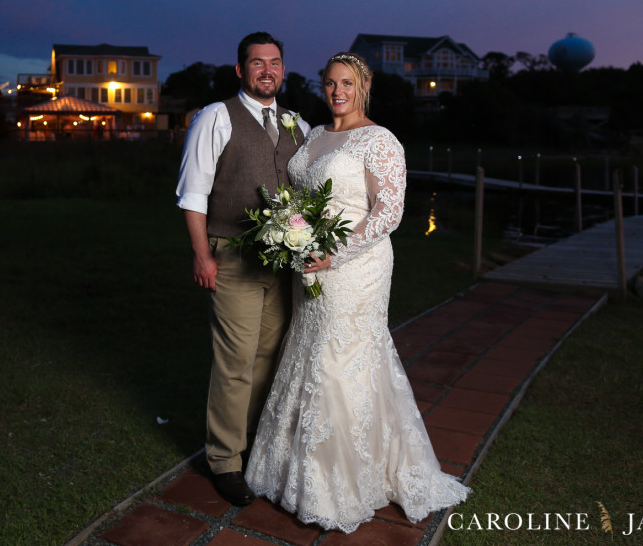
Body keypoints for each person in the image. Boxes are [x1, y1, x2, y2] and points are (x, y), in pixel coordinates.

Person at [244, 51, 470, 533]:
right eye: (330, 83)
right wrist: (292, 233)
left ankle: (341, 484)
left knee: (342, 357)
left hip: (355, 265)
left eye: (347, 83)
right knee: (309, 350)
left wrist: (334, 253)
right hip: (309, 261)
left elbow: (388, 212)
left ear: (363, 87)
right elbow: (302, 196)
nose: (337, 91)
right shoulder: (315, 136)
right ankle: (295, 471)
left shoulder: (379, 139)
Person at [176, 32, 309, 507]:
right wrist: (202, 255)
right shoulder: (216, 117)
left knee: (269, 354)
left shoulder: (297, 124)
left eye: (274, 62)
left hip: (282, 263)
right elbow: (193, 193)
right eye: (257, 63)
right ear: (240, 70)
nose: (267, 70)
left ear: (283, 69)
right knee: (235, 360)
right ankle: (224, 460)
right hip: (231, 255)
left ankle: (251, 441)